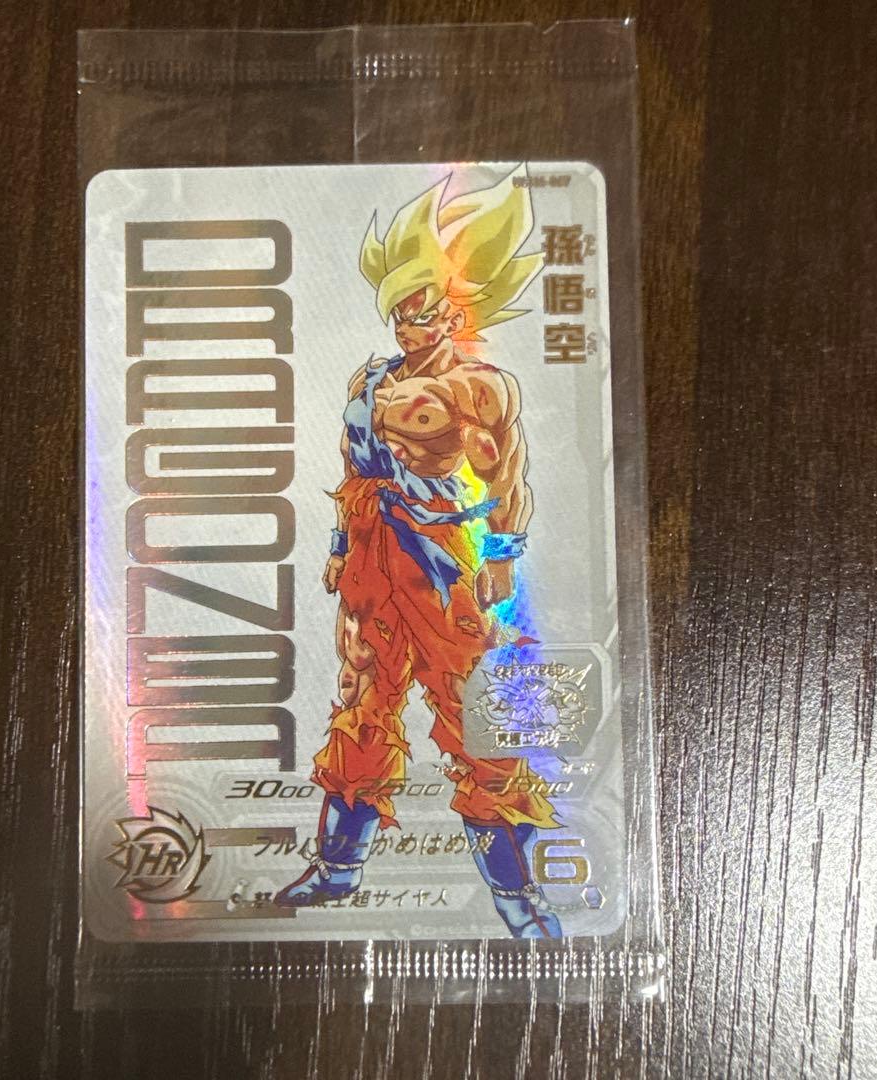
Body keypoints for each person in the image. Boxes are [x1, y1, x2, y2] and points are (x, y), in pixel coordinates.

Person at [275, 167, 561, 937]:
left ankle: (519, 900)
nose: (408, 326)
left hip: (443, 564)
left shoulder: (479, 387)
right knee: (363, 704)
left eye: (422, 311)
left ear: (451, 310)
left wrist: (500, 562)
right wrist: (341, 546)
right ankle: (336, 871)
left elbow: (505, 478)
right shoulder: (369, 380)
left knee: (472, 717)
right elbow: (354, 472)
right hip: (374, 559)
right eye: (399, 313)